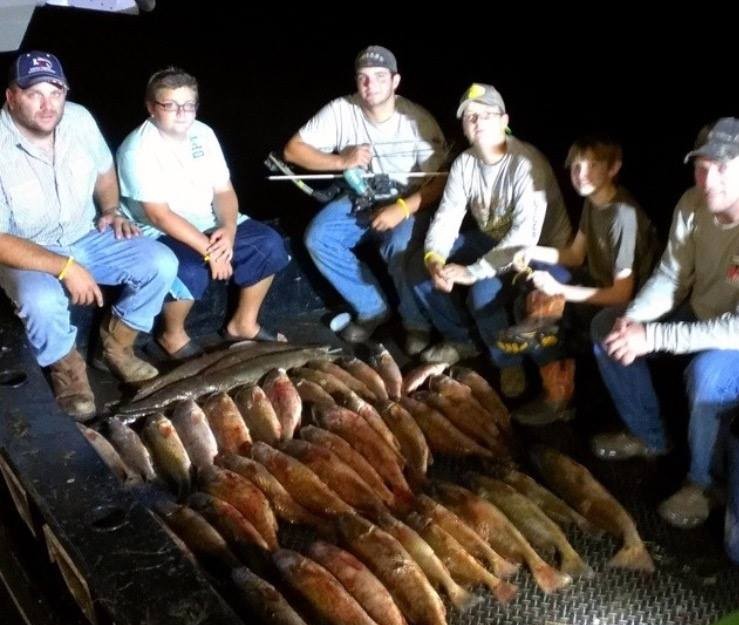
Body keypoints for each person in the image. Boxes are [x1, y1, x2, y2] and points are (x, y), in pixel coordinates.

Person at [0, 51, 177, 421]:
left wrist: (111, 210)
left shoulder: (78, 118)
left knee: (161, 262)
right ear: (12, 95)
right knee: (40, 299)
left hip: (85, 233)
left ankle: (116, 348)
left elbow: (104, 168)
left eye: (56, 91)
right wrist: (65, 267)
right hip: (23, 249)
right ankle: (69, 370)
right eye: (34, 93)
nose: (48, 105)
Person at [591, 118, 739, 530]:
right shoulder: (692, 204)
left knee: (708, 375)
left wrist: (654, 336)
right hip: (703, 313)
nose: (709, 180)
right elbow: (672, 277)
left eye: (724, 167)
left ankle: (705, 483)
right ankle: (648, 436)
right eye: (702, 166)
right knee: (608, 329)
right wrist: (633, 320)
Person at [411, 83, 572, 398]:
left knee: (483, 295)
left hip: (545, 251)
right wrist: (435, 259)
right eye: (470, 117)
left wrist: (472, 272)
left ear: (504, 119)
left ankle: (550, 389)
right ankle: (469, 344)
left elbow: (524, 238)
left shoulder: (526, 165)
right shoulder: (464, 164)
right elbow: (446, 218)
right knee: (417, 266)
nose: (478, 121)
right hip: (491, 239)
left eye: (486, 114)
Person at [117, 67, 290, 359]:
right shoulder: (138, 148)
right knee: (188, 269)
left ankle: (243, 324)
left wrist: (228, 228)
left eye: (188, 105)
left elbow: (223, 191)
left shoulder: (203, 133)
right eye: (170, 105)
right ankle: (170, 336)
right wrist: (211, 251)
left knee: (268, 243)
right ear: (151, 107)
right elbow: (159, 215)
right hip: (157, 230)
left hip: (205, 220)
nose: (181, 113)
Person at [283, 45, 447, 349]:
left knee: (399, 246)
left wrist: (401, 208)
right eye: (363, 78)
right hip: (361, 196)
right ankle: (372, 308)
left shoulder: (418, 120)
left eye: (379, 77)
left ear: (395, 81)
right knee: (319, 237)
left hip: (408, 200)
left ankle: (416, 323)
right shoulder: (341, 109)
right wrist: (340, 161)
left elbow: (439, 184)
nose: (370, 85)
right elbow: (293, 150)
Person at [511, 134, 661, 425]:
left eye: (593, 165)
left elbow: (622, 294)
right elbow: (575, 255)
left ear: (613, 168)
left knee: (546, 300)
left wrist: (560, 290)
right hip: (597, 283)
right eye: (576, 166)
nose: (581, 175)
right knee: (531, 290)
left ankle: (559, 397)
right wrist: (528, 250)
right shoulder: (594, 201)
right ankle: (555, 374)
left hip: (628, 304)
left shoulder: (622, 216)